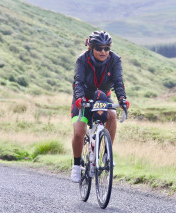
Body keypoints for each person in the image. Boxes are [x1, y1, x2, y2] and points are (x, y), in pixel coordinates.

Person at [70, 31, 130, 183]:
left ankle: (106, 154)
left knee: (112, 115)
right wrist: (80, 99)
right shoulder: (82, 60)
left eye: (106, 48)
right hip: (83, 97)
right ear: (91, 48)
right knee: (79, 132)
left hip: (103, 96)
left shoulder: (115, 60)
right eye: (99, 48)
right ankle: (77, 166)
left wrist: (122, 99)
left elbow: (118, 82)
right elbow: (78, 82)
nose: (103, 52)